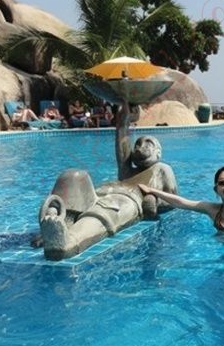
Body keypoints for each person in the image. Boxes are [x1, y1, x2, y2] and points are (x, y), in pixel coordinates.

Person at [37, 99, 178, 260]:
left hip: (125, 198)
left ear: (158, 152)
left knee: (103, 210)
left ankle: (69, 242)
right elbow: (122, 142)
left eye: (148, 143)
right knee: (72, 176)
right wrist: (124, 117)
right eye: (138, 143)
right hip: (99, 192)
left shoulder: (162, 169)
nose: (141, 146)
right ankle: (58, 222)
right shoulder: (127, 170)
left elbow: (172, 199)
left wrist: (154, 200)